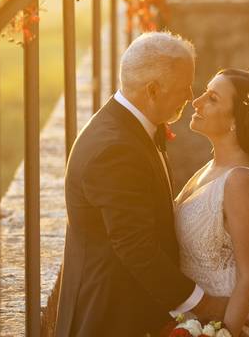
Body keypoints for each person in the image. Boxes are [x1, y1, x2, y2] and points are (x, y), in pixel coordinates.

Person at [55, 32, 229, 337]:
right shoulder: (114, 149)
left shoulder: (131, 128)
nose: (190, 97)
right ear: (152, 90)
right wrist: (204, 304)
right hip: (109, 318)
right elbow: (136, 247)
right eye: (184, 87)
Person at [174, 69, 249, 337]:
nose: (197, 101)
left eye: (212, 98)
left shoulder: (241, 180)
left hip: (229, 322)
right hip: (194, 319)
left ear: (236, 120)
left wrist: (224, 332)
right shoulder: (209, 169)